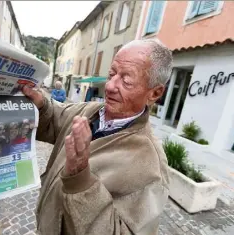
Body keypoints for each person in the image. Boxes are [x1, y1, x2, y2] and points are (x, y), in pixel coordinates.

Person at [22, 39, 173, 234]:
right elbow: (54, 118)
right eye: (111, 74)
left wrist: (80, 175)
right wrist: (41, 104)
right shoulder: (89, 110)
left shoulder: (151, 166)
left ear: (155, 93)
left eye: (126, 80)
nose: (110, 86)